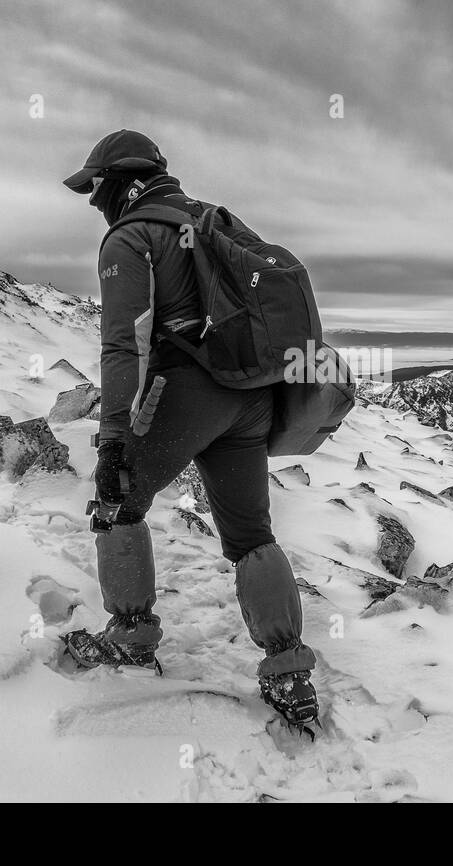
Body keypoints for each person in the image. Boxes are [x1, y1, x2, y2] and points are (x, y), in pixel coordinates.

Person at [60, 129, 318, 726]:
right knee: (251, 533)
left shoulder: (130, 237)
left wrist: (114, 440)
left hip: (185, 394)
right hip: (250, 397)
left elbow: (124, 345)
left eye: (94, 186)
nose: (91, 198)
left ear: (119, 180)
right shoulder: (209, 219)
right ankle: (289, 672)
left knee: (116, 502)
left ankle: (129, 638)